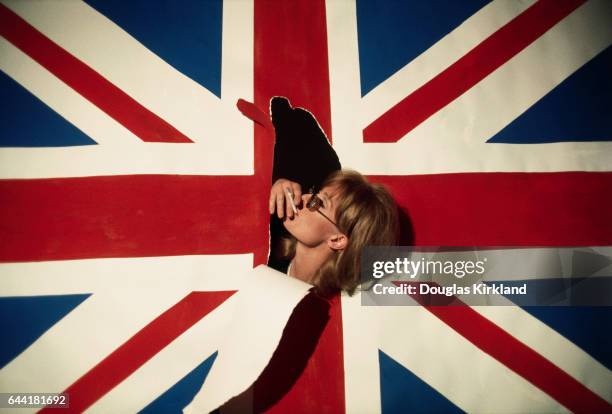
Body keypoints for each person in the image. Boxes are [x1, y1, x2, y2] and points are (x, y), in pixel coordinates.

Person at [269, 169, 399, 296]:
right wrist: (269, 187)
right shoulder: (269, 257)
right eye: (314, 193)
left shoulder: (326, 310)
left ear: (337, 240)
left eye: (319, 203)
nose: (303, 197)